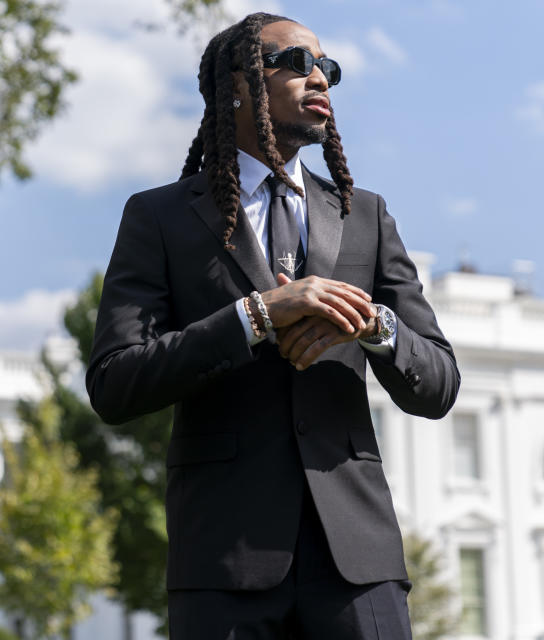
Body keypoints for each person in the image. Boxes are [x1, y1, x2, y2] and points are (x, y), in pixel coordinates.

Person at [84, 12, 460, 638]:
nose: (320, 81)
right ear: (237, 83)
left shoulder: (364, 214)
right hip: (224, 558)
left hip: (358, 561)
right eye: (297, 63)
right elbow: (115, 382)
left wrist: (371, 325)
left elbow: (440, 383)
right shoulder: (160, 217)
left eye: (328, 69)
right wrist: (254, 316)